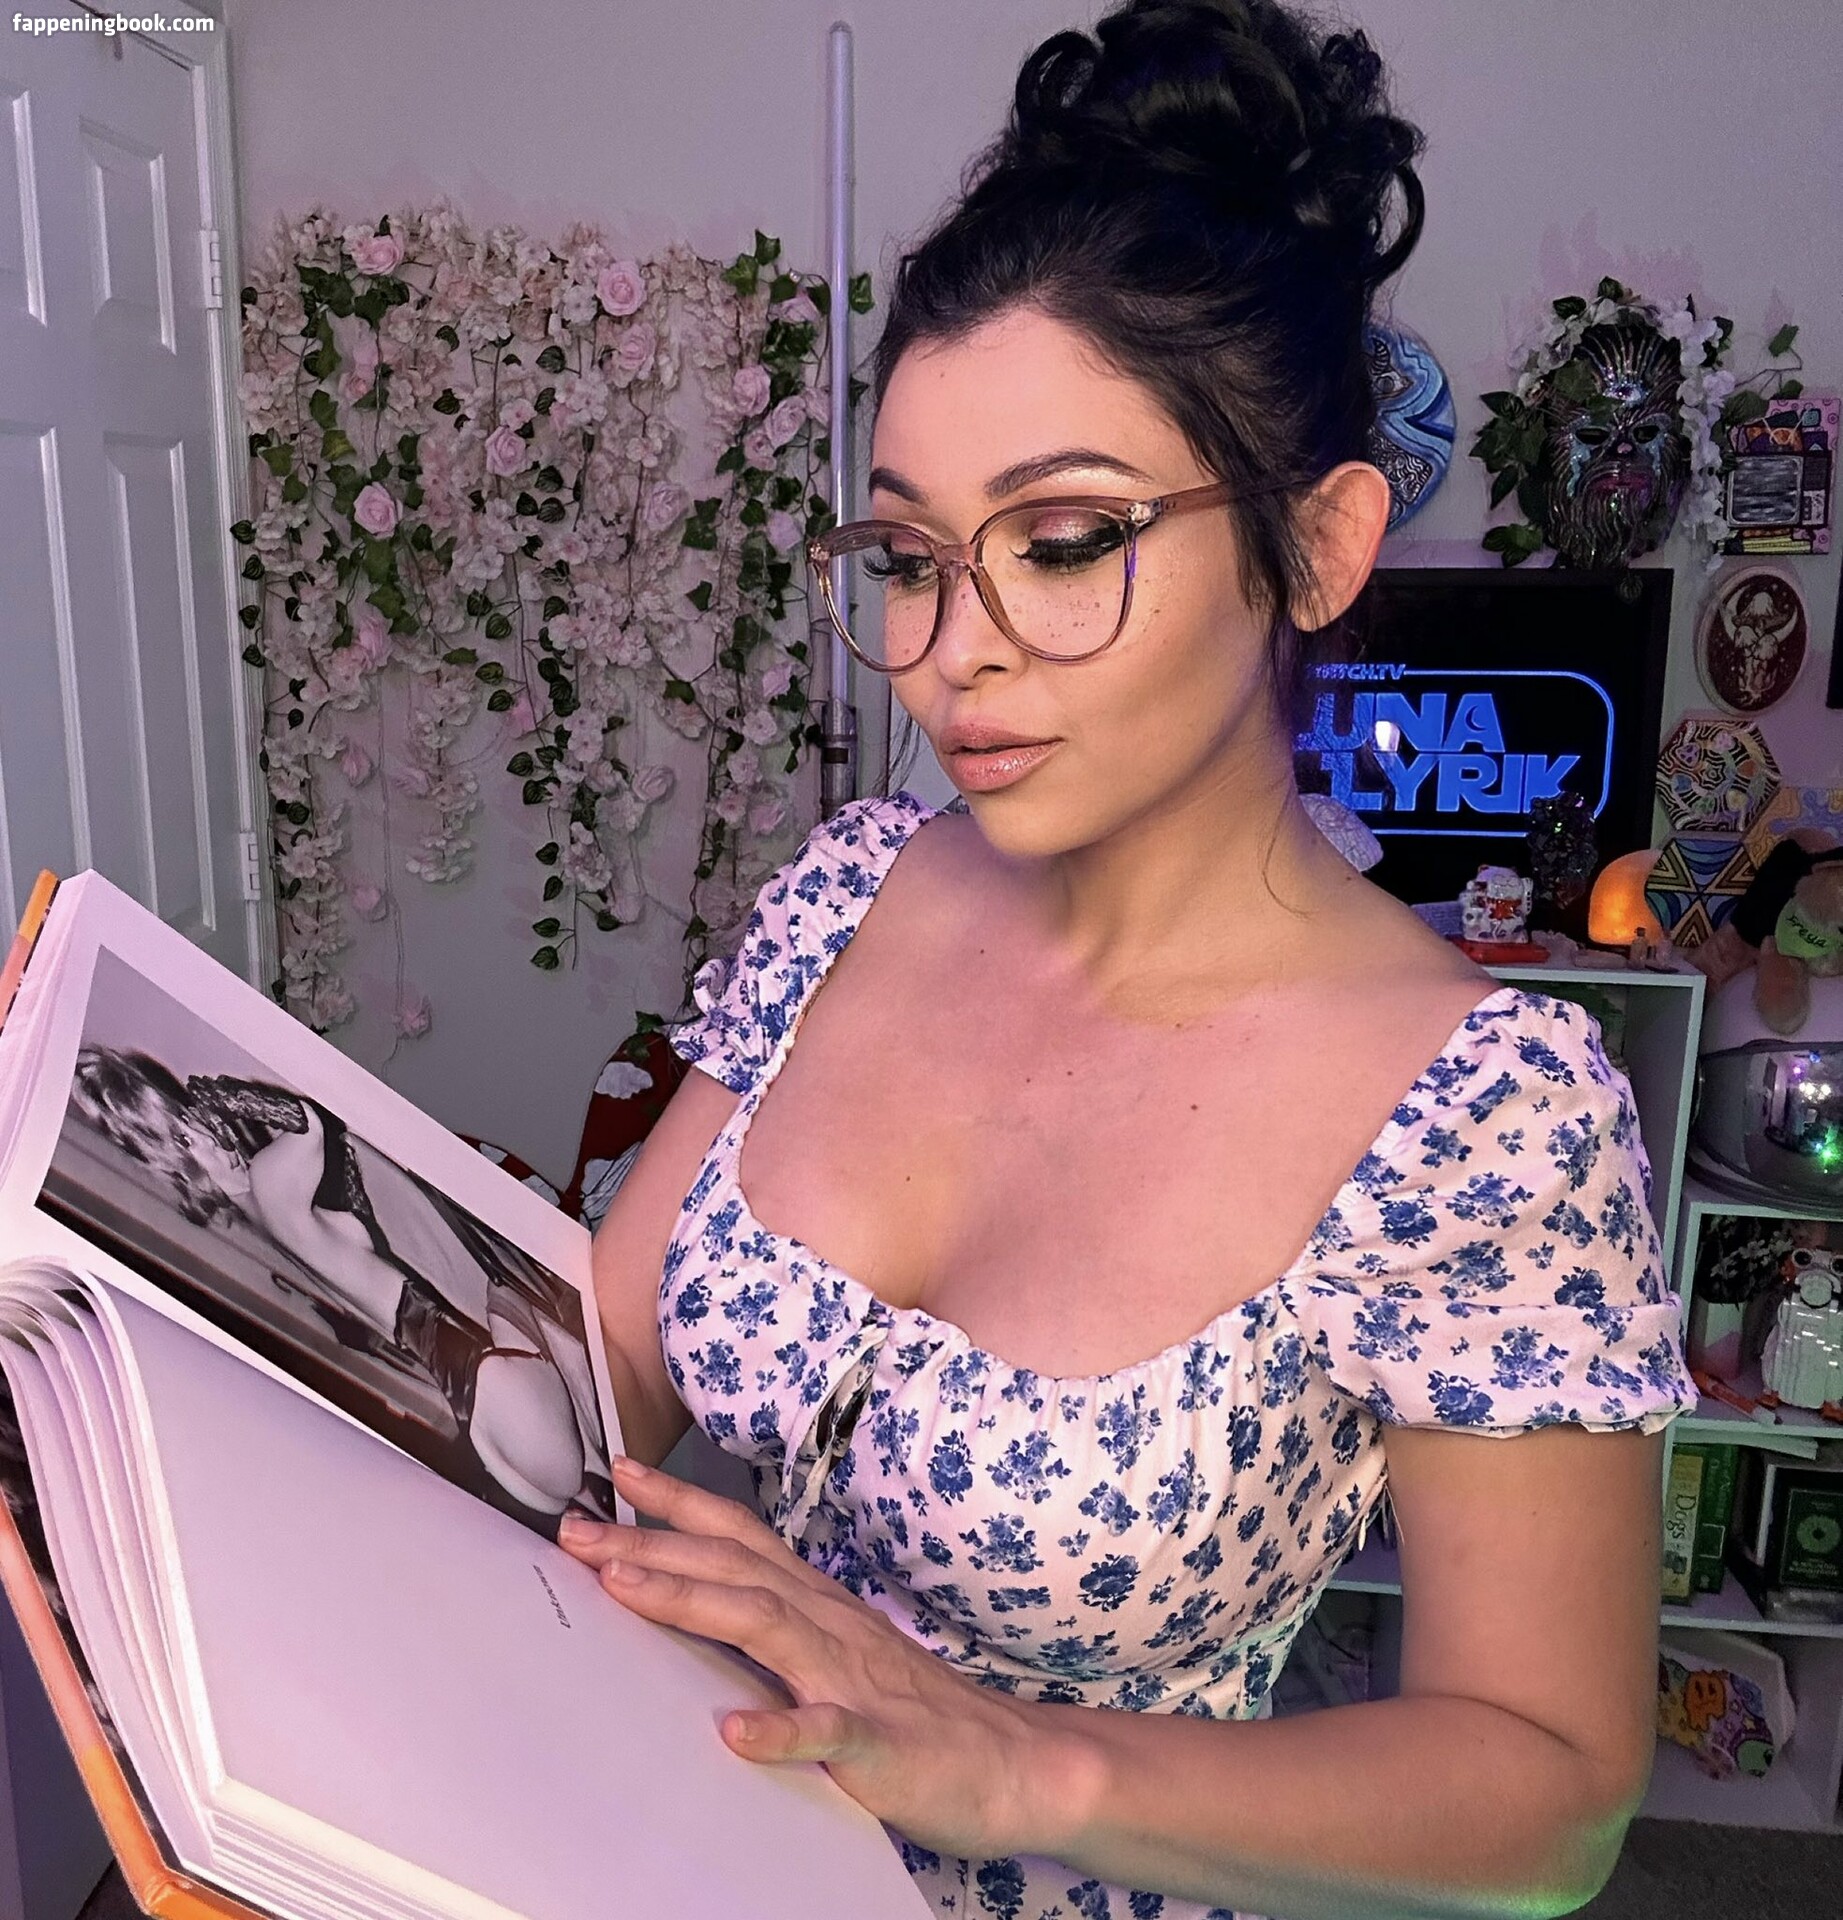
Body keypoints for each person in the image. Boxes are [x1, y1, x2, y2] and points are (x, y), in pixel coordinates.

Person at [567, 5, 1697, 1916]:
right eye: (909, 559)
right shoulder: (848, 895)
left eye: (1066, 540)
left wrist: (1015, 1760)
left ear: (1316, 544)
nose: (953, 652)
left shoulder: (1484, 1113)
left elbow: (1548, 1792)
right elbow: (605, 1355)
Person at [67, 1048, 602, 1523]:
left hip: (476, 1400)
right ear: (179, 1153)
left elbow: (345, 1206)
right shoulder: (269, 1191)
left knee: (588, 1490)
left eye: (197, 1119)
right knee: (522, 1303)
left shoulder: (258, 1225)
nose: (210, 1134)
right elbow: (309, 1123)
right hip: (492, 1383)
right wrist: (226, 1096)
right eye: (188, 1134)